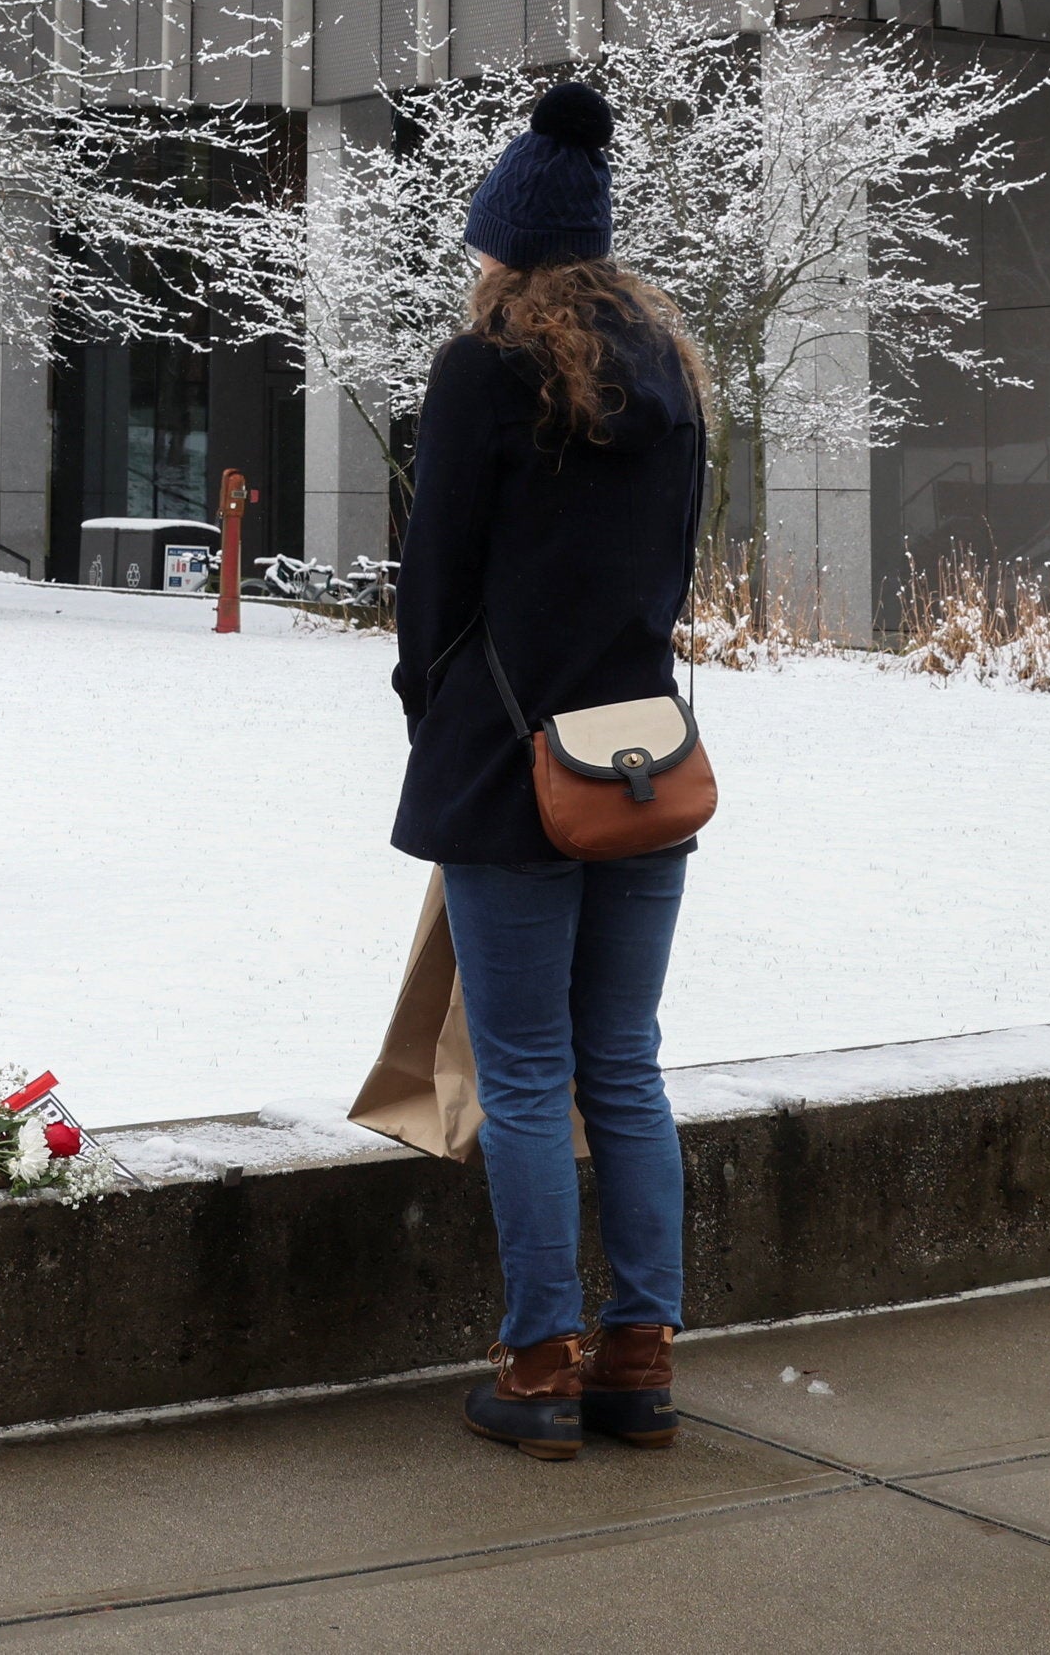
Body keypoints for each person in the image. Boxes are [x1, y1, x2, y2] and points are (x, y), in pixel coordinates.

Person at [390, 76, 707, 1462]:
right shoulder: (675, 375)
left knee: (521, 1072)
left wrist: (430, 709)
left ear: (508, 249)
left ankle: (536, 1365)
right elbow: (671, 577)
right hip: (644, 759)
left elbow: (433, 583)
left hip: (514, 766)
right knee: (623, 1062)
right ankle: (639, 1353)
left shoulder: (484, 372)